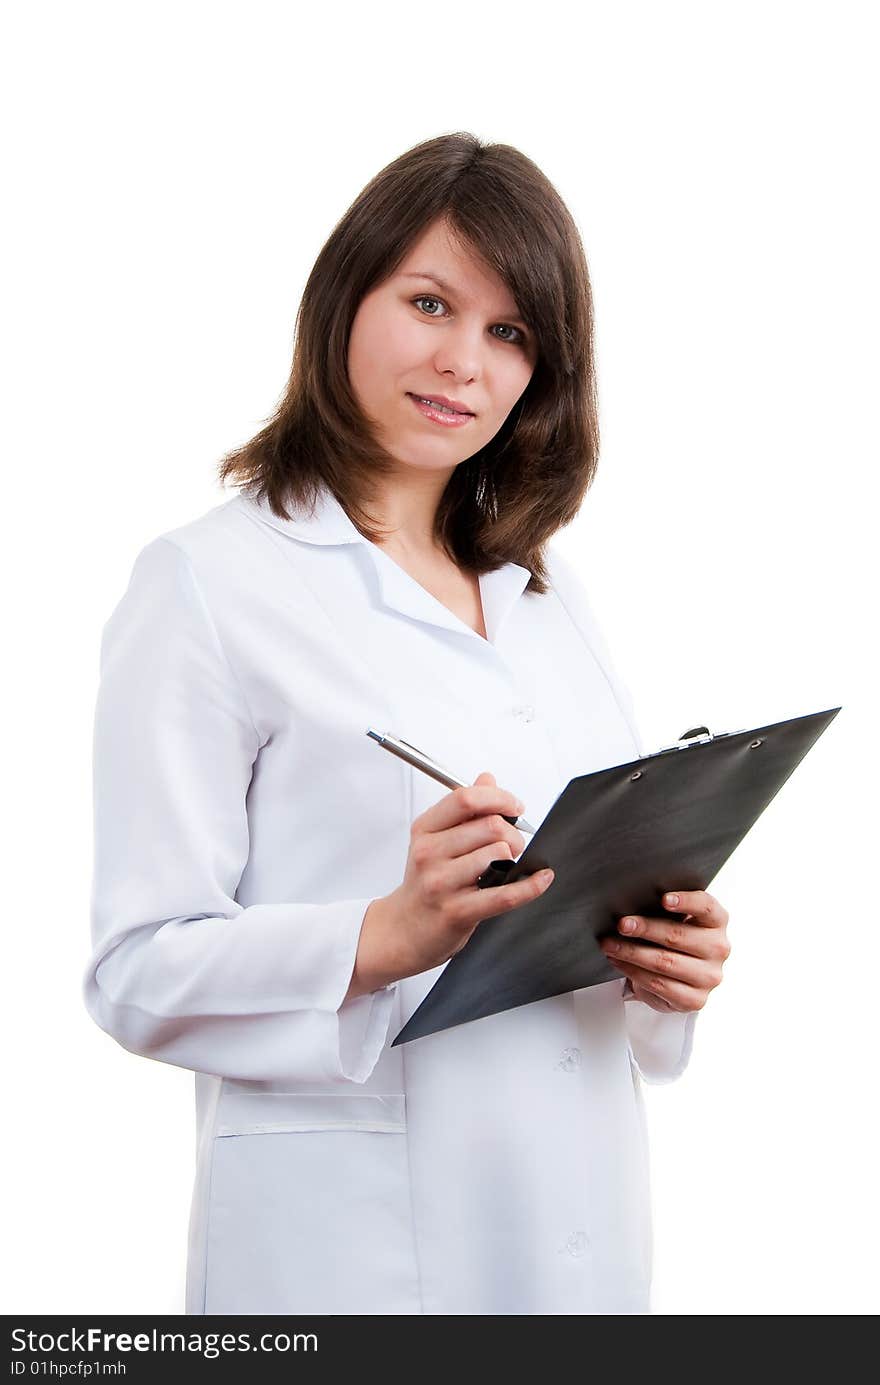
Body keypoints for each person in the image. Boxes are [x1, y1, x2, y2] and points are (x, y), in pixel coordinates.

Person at [82, 131, 731, 1316]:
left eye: (509, 332)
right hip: (352, 1248)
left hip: (580, 1223)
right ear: (344, 297)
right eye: (428, 302)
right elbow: (134, 969)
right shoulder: (206, 584)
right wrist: (379, 933)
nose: (461, 363)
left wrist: (661, 969)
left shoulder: (546, 595)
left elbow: (582, 903)